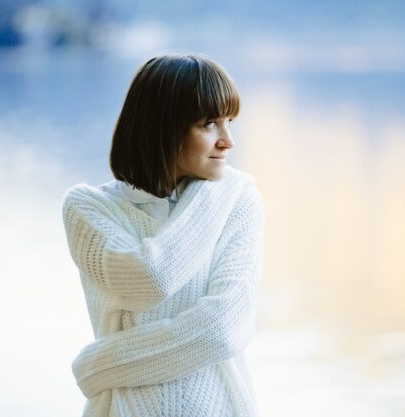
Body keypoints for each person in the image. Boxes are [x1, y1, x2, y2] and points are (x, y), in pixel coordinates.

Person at [61, 53, 265, 417]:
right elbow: (150, 279)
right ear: (163, 127)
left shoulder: (237, 197)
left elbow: (223, 330)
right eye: (210, 124)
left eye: (230, 122)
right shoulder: (87, 209)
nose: (228, 141)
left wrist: (100, 366)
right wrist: (216, 191)